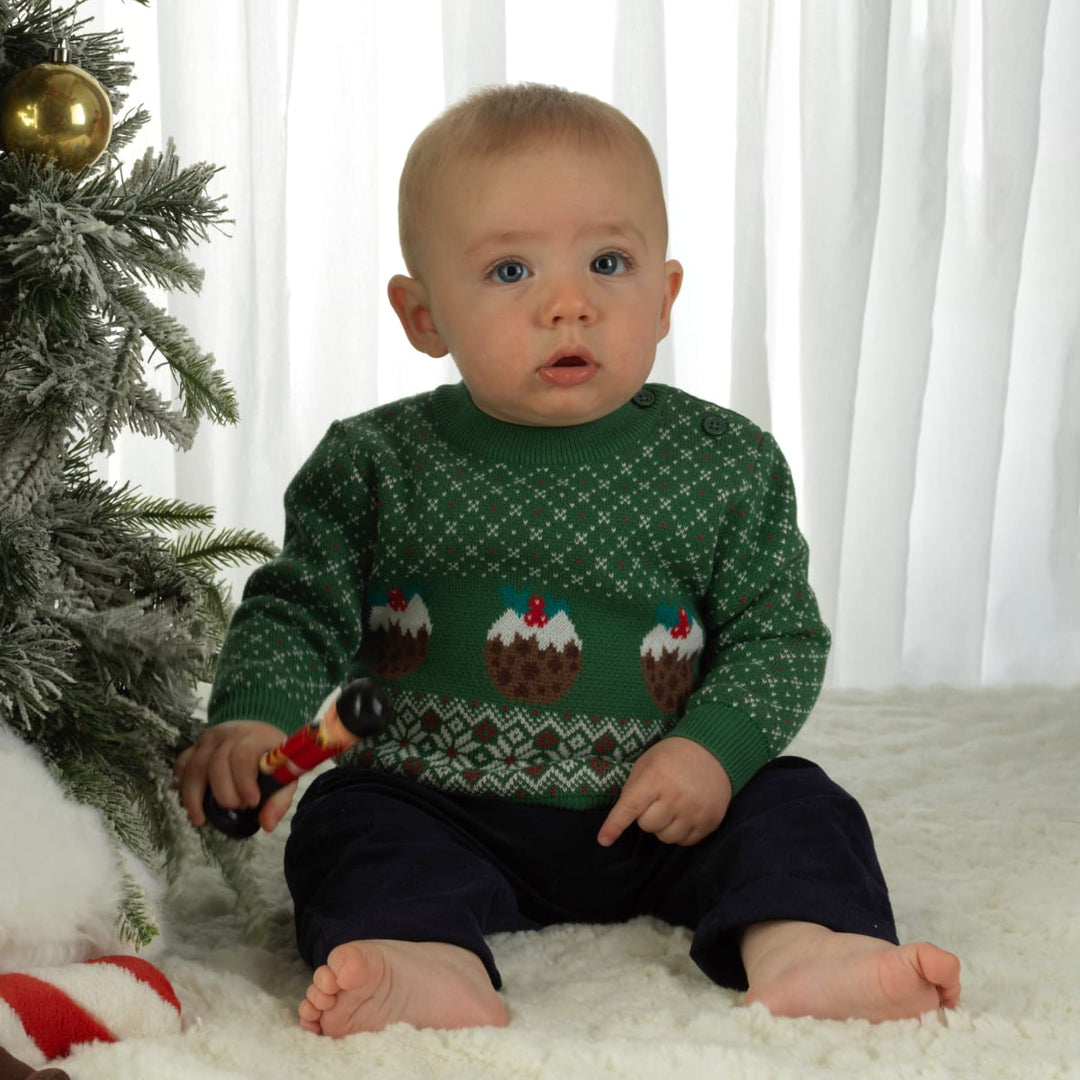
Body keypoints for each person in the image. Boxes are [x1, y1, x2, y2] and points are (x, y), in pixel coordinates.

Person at [174, 82, 961, 1035]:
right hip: (437, 800)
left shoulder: (725, 463)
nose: (570, 304)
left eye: (609, 261)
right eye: (511, 272)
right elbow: (300, 607)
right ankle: (424, 958)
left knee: (798, 804)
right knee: (348, 823)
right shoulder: (375, 460)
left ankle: (807, 946)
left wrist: (710, 755)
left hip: (662, 811)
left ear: (665, 297)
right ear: (423, 316)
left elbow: (777, 635)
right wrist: (253, 720)